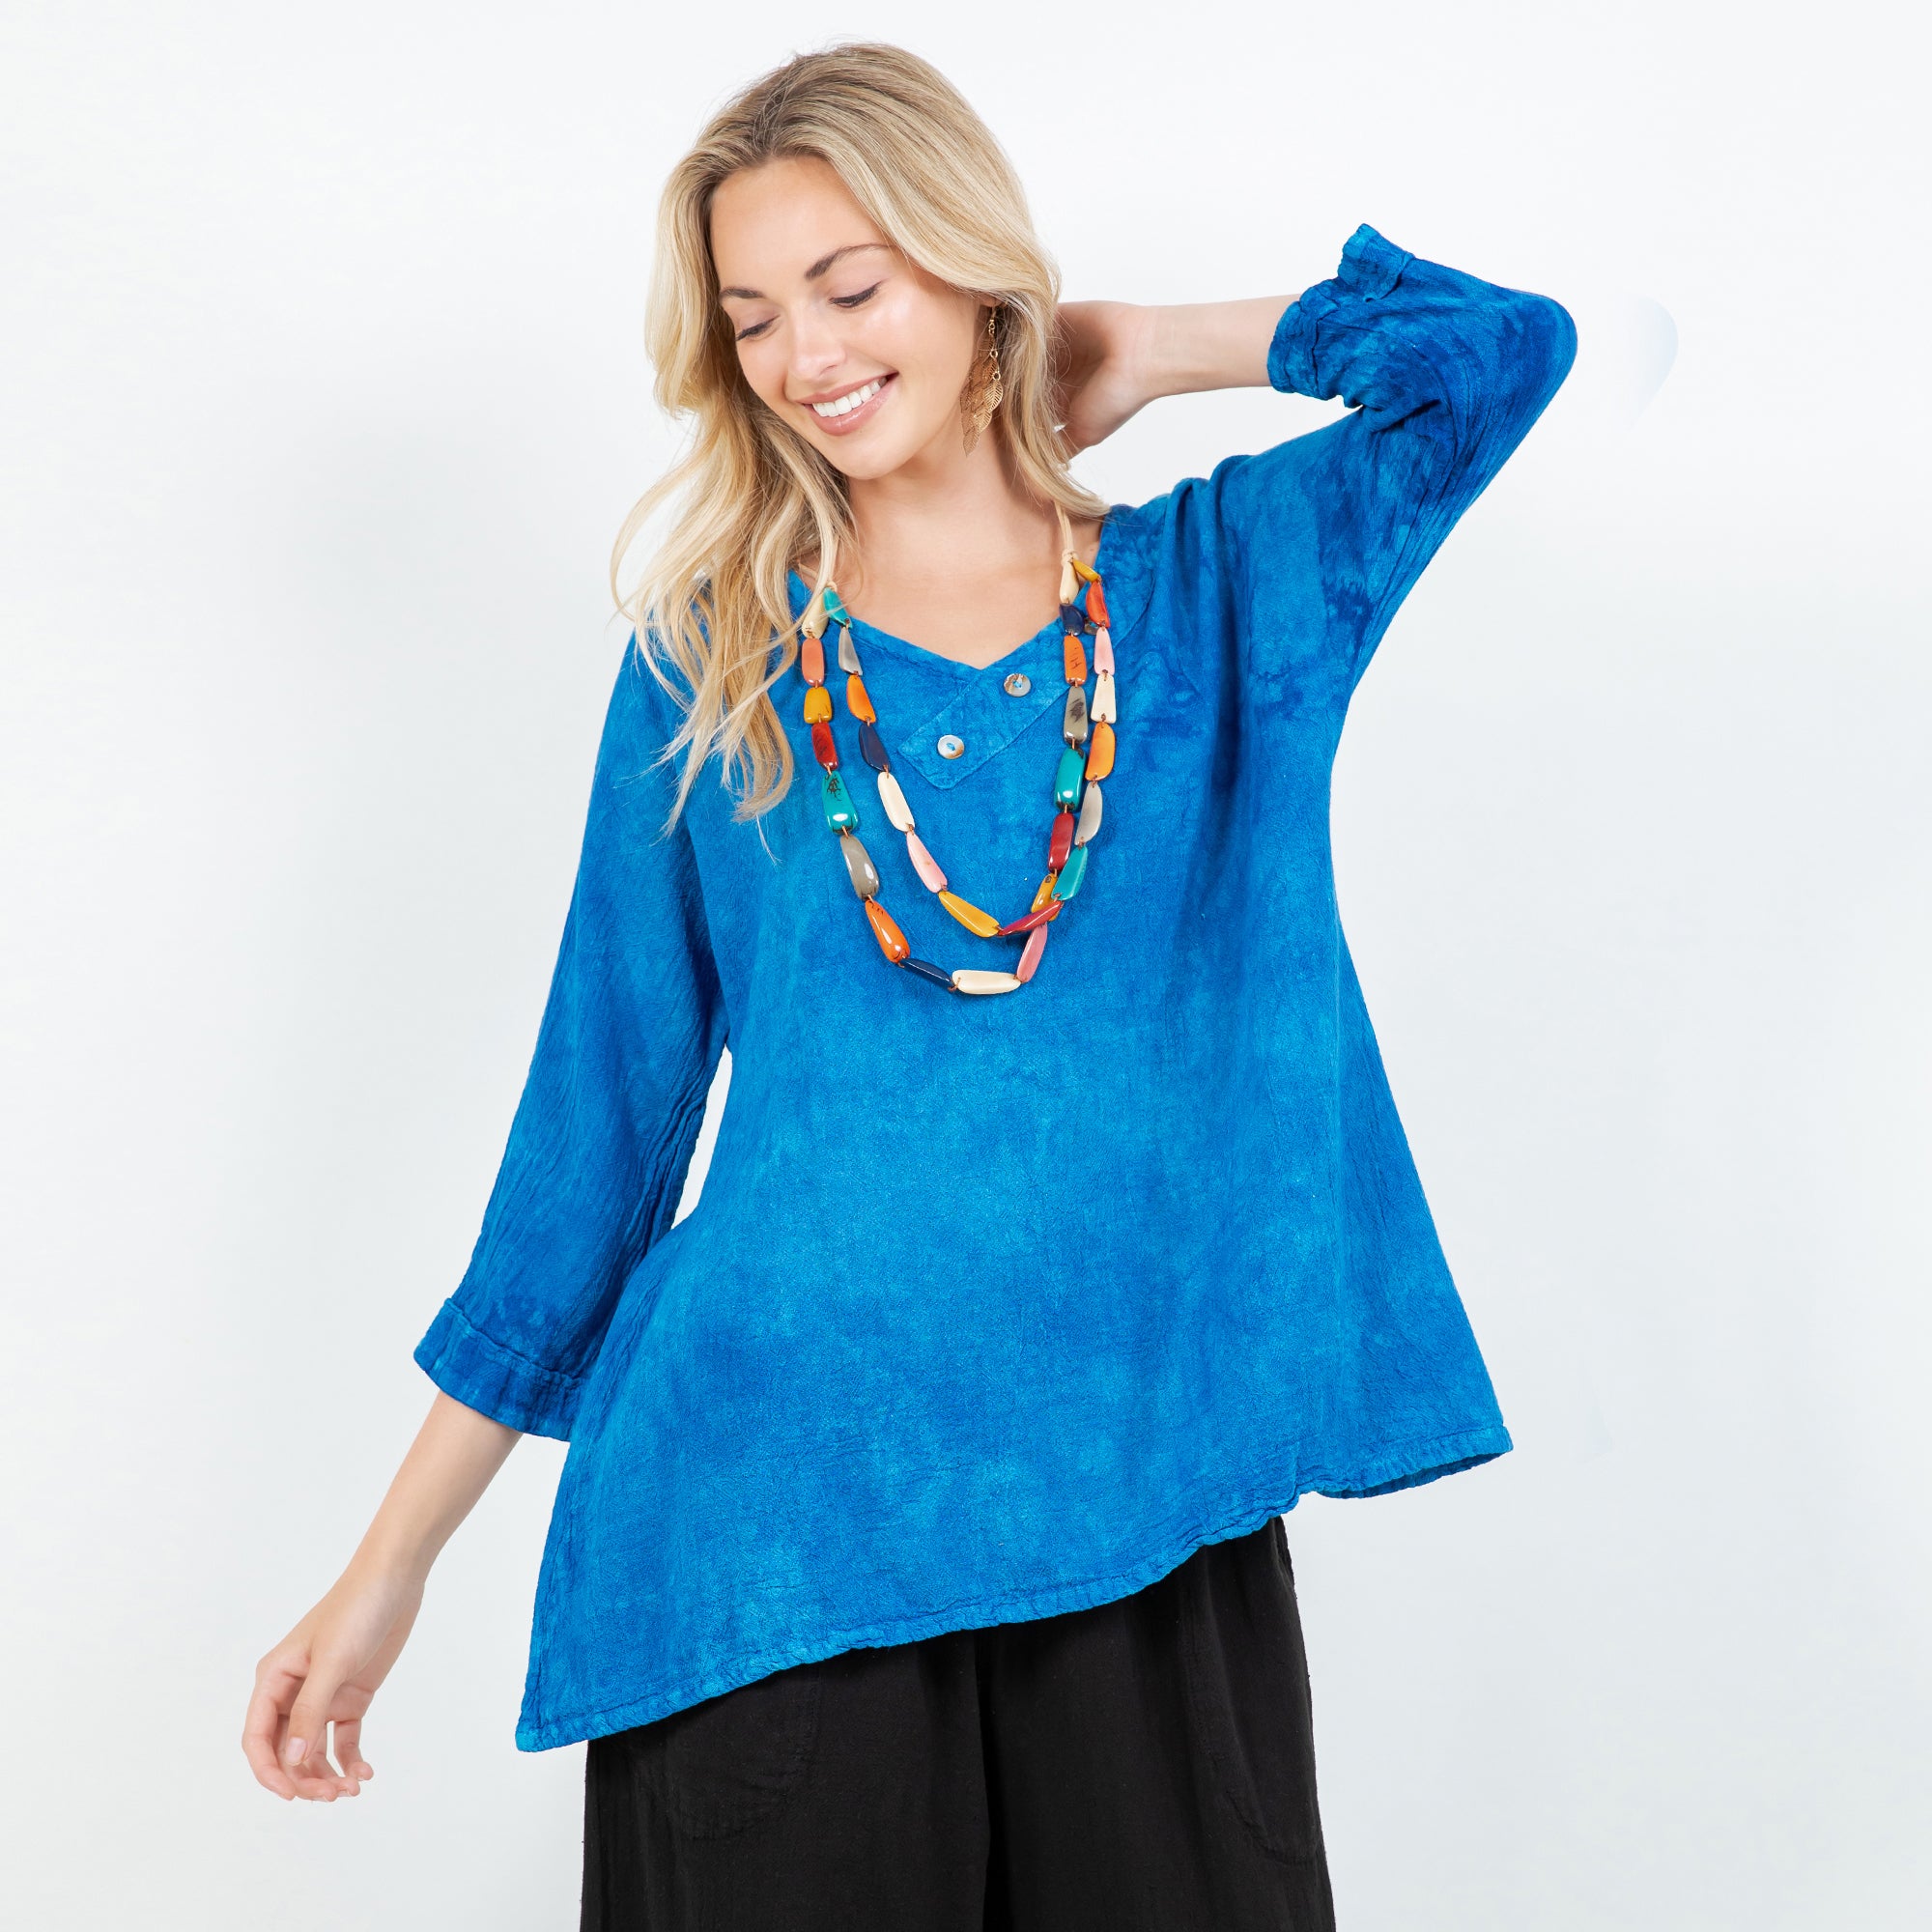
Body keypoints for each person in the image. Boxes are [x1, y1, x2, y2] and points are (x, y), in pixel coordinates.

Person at [242, 41, 1575, 1932]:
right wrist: (390, 1567)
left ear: (968, 270)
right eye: (752, 318)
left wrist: (1136, 348)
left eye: (851, 286)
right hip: (768, 1533)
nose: (805, 354)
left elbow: (1499, 354)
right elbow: (590, 1147)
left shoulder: (1222, 588)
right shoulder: (714, 663)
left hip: (1148, 1497)